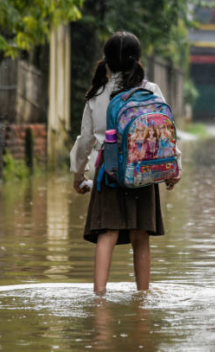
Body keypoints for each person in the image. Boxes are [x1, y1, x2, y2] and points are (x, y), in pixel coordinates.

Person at [70, 31, 182, 294]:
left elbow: (85, 140)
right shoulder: (150, 90)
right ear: (138, 60)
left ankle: (99, 297)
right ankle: (143, 297)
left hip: (108, 171)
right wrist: (174, 167)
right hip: (143, 169)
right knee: (140, 236)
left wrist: (77, 176)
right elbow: (166, 132)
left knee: (106, 233)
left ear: (106, 62)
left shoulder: (97, 95)